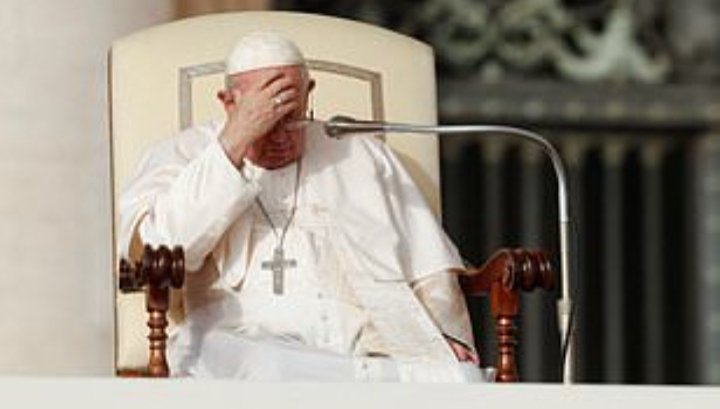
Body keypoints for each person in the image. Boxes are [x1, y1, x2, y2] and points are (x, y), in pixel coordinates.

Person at [119, 31, 482, 382]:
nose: (279, 136)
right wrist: (234, 142)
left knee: (456, 376)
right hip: (236, 343)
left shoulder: (361, 155)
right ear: (228, 102)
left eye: (291, 119)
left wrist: (444, 337)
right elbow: (155, 249)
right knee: (269, 367)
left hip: (354, 350)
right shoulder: (183, 154)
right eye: (265, 121)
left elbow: (429, 266)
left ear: (309, 92)